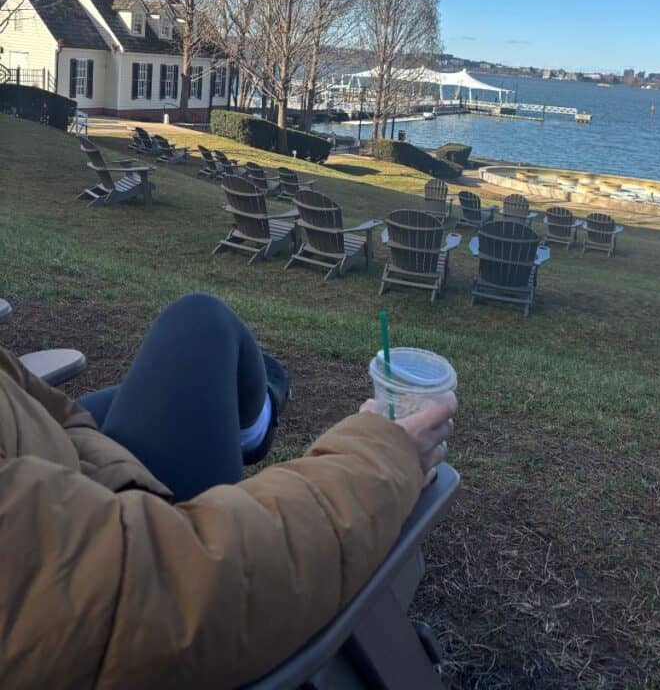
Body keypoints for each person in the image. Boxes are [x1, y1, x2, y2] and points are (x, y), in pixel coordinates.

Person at [0, 292, 457, 690]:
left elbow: (33, 403)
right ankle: (256, 417)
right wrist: (382, 458)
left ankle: (253, 413)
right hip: (143, 572)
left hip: (63, 478)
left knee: (196, 326)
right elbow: (162, 597)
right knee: (207, 337)